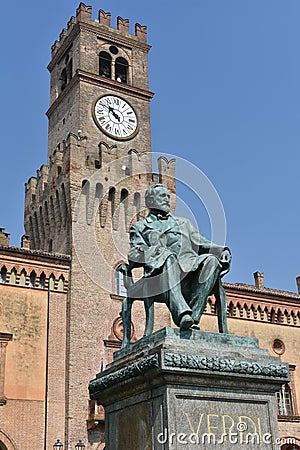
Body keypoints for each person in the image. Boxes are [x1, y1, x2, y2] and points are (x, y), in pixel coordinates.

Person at [127, 184, 231, 332]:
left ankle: (193, 317)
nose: (167, 200)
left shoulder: (184, 223)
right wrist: (152, 252)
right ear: (150, 200)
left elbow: (203, 243)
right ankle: (182, 314)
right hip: (159, 275)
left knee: (211, 261)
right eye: (162, 196)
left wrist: (222, 251)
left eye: (168, 197)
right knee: (168, 258)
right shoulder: (140, 226)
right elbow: (134, 254)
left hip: (188, 271)